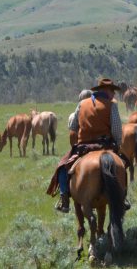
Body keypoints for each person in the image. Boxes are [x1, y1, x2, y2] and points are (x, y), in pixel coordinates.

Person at [49, 78, 129, 214]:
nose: (114, 95)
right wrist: (118, 144)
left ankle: (64, 199)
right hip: (105, 146)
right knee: (122, 165)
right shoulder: (111, 105)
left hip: (83, 146)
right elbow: (116, 130)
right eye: (113, 91)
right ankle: (122, 197)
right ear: (107, 91)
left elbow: (72, 126)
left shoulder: (82, 104)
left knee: (62, 167)